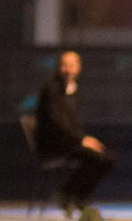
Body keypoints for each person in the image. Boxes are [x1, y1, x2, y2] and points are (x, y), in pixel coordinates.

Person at [31, 50, 112, 210]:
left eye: (72, 65)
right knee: (94, 157)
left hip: (70, 141)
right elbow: (57, 123)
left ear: (78, 68)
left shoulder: (72, 90)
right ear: (59, 67)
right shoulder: (52, 89)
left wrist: (85, 138)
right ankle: (66, 193)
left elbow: (72, 123)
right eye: (64, 65)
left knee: (106, 157)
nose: (68, 69)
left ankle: (77, 197)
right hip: (54, 144)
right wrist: (81, 140)